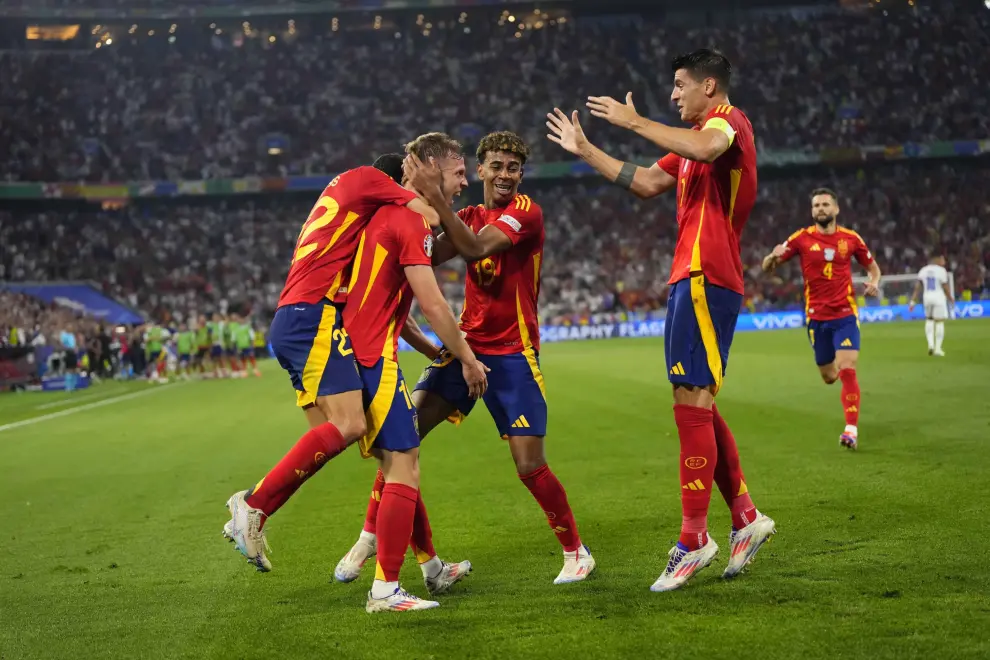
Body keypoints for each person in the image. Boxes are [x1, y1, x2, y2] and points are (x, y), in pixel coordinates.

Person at [546, 49, 775, 590]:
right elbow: (646, 181)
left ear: (710, 86)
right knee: (695, 402)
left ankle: (694, 540)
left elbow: (704, 144)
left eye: (679, 85)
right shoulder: (692, 146)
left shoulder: (726, 123)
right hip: (689, 274)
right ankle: (744, 517)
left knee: (691, 404)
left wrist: (634, 121)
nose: (672, 95)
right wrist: (587, 149)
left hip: (706, 273)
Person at [336, 131, 596, 587]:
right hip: (468, 348)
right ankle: (369, 536)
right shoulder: (470, 214)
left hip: (513, 352)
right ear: (479, 171)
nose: (504, 175)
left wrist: (436, 196)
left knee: (529, 465)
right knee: (402, 439)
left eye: (513, 168)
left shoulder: (525, 213)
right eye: (495, 166)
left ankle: (576, 552)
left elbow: (475, 248)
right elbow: (421, 253)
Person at [222, 151, 441, 572]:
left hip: (292, 319)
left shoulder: (344, 196)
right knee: (360, 430)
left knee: (382, 456)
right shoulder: (371, 181)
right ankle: (253, 505)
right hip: (313, 318)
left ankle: (431, 564)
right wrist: (430, 190)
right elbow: (428, 215)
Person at [342, 132, 487, 612]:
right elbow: (435, 304)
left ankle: (428, 568)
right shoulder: (410, 218)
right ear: (427, 168)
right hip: (371, 358)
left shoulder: (390, 216)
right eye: (458, 172)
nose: (466, 182)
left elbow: (398, 308)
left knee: (401, 461)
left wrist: (429, 350)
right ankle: (383, 583)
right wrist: (466, 358)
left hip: (362, 352)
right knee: (404, 461)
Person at [762, 188, 882, 450]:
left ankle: (851, 430)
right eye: (816, 205)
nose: (821, 209)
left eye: (825, 204)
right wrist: (772, 256)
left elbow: (872, 267)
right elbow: (767, 267)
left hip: (845, 314)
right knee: (830, 376)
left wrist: (874, 282)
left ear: (836, 209)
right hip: (816, 318)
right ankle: (845, 386)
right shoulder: (801, 239)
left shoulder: (850, 239)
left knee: (848, 368)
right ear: (812, 211)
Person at [909, 255, 954, 356]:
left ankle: (930, 345)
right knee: (939, 322)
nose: (944, 261)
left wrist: (912, 301)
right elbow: (945, 286)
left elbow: (918, 287)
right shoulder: (941, 270)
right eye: (942, 259)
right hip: (938, 298)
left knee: (929, 320)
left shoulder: (923, 270)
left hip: (927, 298)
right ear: (936, 259)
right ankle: (937, 348)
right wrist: (950, 298)